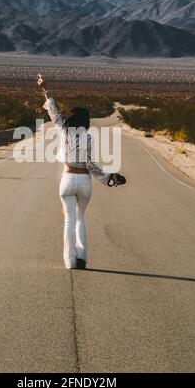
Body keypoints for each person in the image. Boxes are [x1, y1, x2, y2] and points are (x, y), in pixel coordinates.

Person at [37, 74, 123, 270]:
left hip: (67, 180)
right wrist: (108, 177)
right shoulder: (89, 138)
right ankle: (82, 258)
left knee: (69, 220)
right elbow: (91, 164)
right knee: (80, 219)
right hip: (84, 182)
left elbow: (53, 112)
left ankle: (70, 261)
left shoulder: (64, 131)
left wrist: (45, 88)